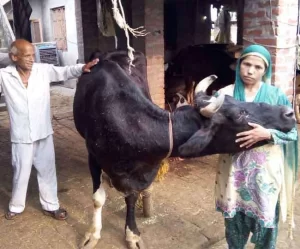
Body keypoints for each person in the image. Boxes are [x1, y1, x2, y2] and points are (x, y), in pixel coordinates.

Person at [0, 39, 98, 220]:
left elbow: (65, 71)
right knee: (21, 171)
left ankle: (51, 205)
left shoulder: (42, 71)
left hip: (43, 132)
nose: (31, 59)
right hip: (21, 136)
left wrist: (82, 67)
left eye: (32, 55)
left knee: (47, 170)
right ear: (14, 57)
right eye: (27, 55)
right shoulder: (4, 76)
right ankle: (16, 205)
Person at [215, 44, 298, 248]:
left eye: (258, 67)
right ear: (238, 65)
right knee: (234, 228)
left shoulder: (275, 96)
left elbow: (293, 133)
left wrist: (267, 133)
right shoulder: (224, 95)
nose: (250, 71)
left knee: (266, 229)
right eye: (246, 64)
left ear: (265, 70)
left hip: (265, 175)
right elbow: (211, 130)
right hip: (234, 173)